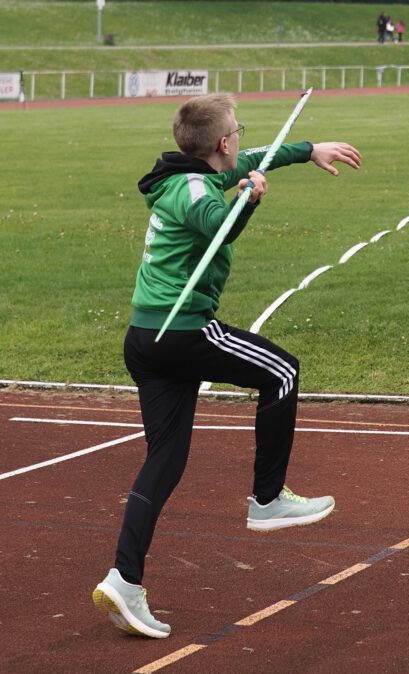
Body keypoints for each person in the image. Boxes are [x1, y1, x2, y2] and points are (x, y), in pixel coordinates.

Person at [92, 93, 362, 638]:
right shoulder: (194, 188)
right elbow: (218, 222)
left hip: (146, 336)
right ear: (222, 142)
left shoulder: (197, 172)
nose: (242, 138)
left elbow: (258, 158)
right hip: (182, 331)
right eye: (238, 131)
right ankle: (267, 499)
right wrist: (248, 200)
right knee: (282, 372)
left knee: (164, 461)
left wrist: (308, 149)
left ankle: (124, 579)